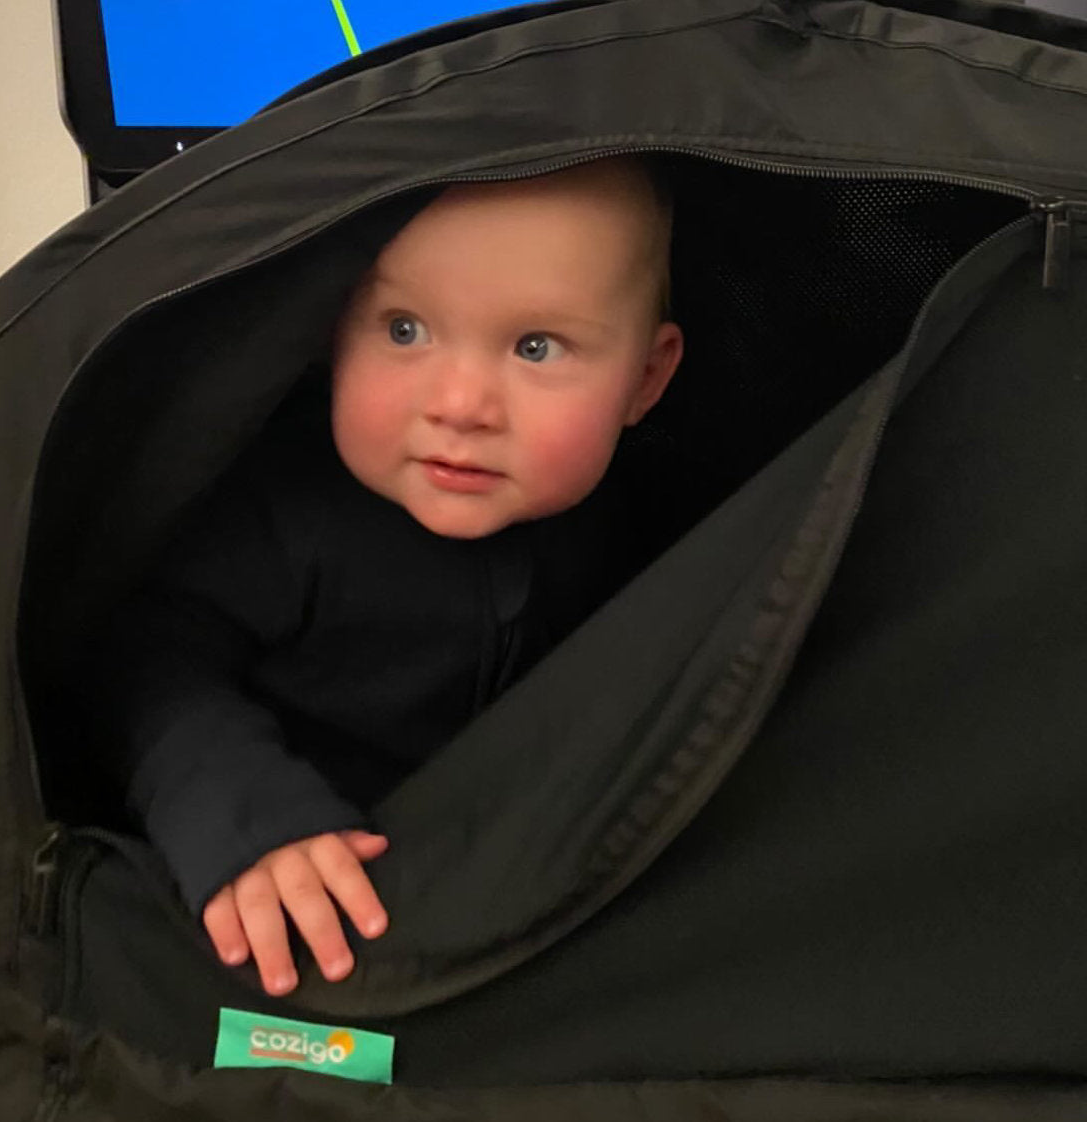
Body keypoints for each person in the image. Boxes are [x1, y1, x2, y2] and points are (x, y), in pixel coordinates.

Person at [102, 156, 684, 998]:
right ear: (330, 330)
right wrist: (239, 816)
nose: (461, 404)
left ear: (647, 379)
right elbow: (140, 661)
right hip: (294, 895)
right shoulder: (277, 511)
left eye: (535, 346)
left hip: (501, 898)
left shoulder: (636, 513)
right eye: (404, 329)